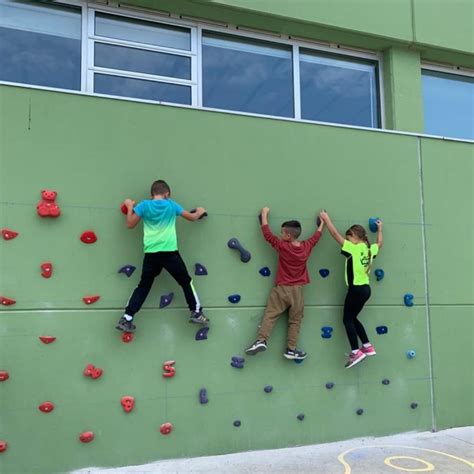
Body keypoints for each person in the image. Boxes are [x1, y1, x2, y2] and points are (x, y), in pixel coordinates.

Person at [115, 179, 209, 332]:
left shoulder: (144, 205)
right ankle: (196, 312)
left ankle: (126, 318)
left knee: (143, 286)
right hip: (169, 253)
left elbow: (130, 224)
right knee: (185, 281)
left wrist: (130, 206)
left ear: (152, 194)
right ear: (167, 194)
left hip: (151, 254)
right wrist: (199, 211)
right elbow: (191, 218)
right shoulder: (171, 204)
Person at [245, 207, 324, 360]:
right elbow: (316, 237)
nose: (280, 235)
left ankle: (261, 340)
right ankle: (291, 349)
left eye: (282, 233)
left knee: (270, 315)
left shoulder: (283, 246)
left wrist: (264, 215)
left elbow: (267, 235)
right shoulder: (306, 247)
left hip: (282, 289)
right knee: (295, 321)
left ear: (288, 235)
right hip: (298, 292)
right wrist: (322, 223)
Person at [319, 211, 383, 368]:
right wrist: (380, 229)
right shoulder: (369, 250)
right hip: (366, 290)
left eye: (349, 238)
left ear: (355, 237)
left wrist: (327, 219)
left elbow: (335, 235)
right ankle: (367, 346)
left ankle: (356, 352)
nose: (348, 241)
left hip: (355, 290)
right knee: (353, 318)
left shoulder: (353, 249)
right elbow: (379, 244)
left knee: (347, 320)